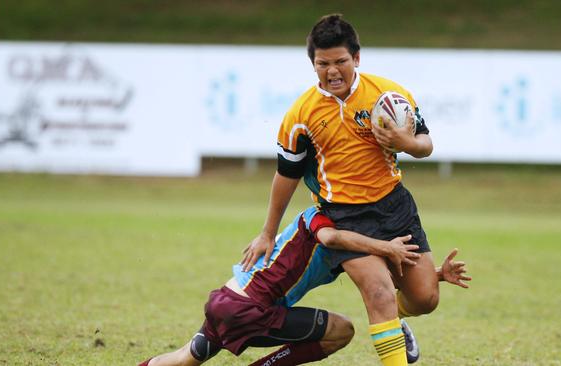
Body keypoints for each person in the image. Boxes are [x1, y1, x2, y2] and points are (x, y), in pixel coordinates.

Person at [241, 14, 450, 365]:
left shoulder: (388, 95)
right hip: (343, 215)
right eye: (323, 64)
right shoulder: (301, 115)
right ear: (313, 64)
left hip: (395, 206)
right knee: (379, 290)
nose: (332, 71)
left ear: (356, 58)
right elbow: (285, 176)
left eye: (340, 61)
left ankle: (397, 322)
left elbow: (426, 144)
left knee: (425, 298)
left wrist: (407, 142)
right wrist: (267, 232)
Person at [139, 207, 470, 366]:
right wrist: (387, 247)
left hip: (225, 299)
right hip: (251, 308)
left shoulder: (349, 238)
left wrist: (435, 274)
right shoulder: (320, 217)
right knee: (342, 331)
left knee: (185, 358)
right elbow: (331, 238)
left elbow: (376, 279)